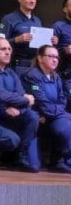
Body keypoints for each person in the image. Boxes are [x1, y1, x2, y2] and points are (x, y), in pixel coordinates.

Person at [0, 37, 40, 172]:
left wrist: (19, 109)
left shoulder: (11, 73)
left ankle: (19, 155)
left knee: (32, 116)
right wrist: (26, 100)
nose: (8, 52)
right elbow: (1, 95)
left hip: (10, 117)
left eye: (9, 49)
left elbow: (19, 94)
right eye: (3, 49)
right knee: (12, 139)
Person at [22, 45, 71, 173]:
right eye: (50, 56)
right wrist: (60, 112)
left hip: (51, 117)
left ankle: (59, 161)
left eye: (56, 57)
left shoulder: (56, 76)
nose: (55, 60)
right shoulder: (32, 75)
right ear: (40, 58)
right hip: (36, 120)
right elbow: (42, 103)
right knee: (34, 166)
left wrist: (59, 113)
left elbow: (62, 100)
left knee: (66, 126)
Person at [0, 0, 57, 75]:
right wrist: (17, 39)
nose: (32, 1)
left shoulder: (37, 20)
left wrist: (50, 42)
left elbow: (41, 46)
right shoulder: (9, 19)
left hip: (36, 66)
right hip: (17, 66)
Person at [51, 0, 71, 79]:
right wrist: (64, 51)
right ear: (65, 9)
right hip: (65, 73)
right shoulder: (58, 26)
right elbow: (49, 51)